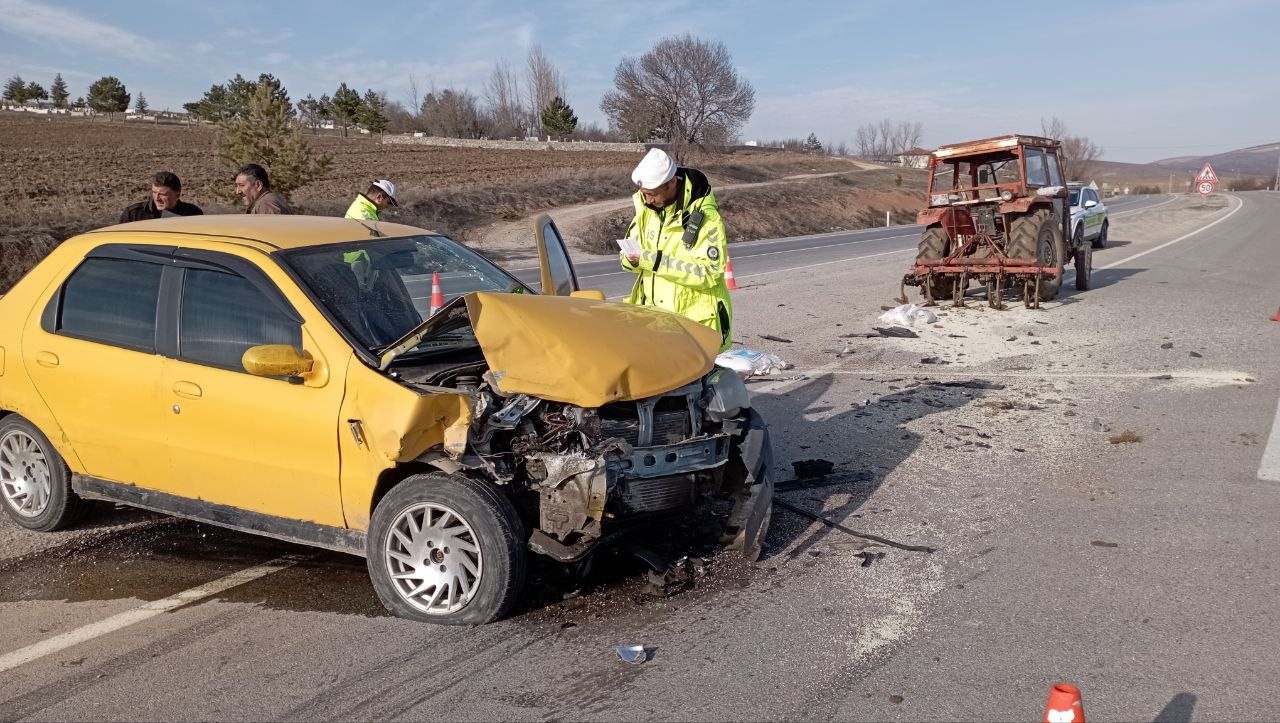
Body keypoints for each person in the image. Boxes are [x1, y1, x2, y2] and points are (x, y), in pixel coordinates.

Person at [620, 147, 733, 350]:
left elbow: (708, 273)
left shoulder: (705, 218)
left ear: (672, 183)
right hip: (655, 326)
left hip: (693, 330)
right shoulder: (647, 208)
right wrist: (631, 258)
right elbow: (629, 259)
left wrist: (651, 260)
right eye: (644, 194)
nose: (648, 200)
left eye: (652, 194)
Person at [119, 171, 203, 223]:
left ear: (177, 195)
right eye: (154, 192)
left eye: (162, 194)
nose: (156, 198)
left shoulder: (193, 214)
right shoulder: (133, 215)